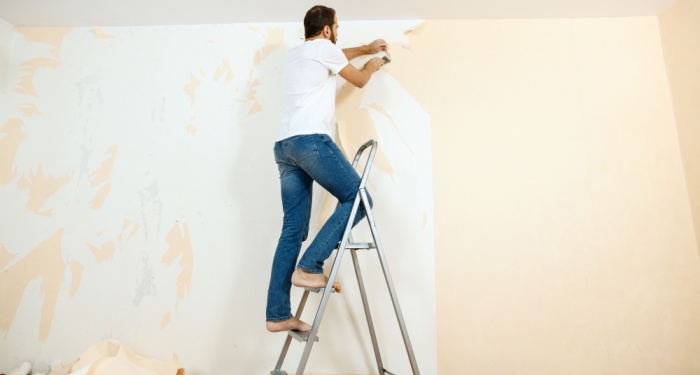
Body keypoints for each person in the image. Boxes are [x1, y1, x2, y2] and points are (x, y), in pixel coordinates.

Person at [266, 5, 387, 333]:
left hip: (284, 146)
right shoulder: (324, 49)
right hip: (310, 141)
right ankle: (310, 265)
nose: (338, 31)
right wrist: (372, 66)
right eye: (337, 26)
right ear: (328, 31)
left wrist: (364, 48)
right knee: (360, 199)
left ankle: (277, 314)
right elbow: (359, 80)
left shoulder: (297, 54)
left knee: (292, 230)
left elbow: (334, 55)